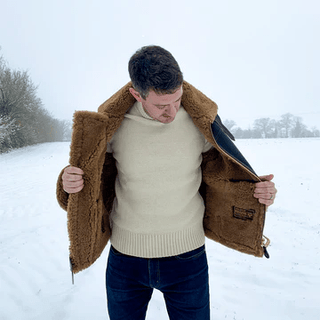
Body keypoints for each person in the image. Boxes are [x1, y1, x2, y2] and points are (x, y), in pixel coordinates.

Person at [57, 45, 277, 320]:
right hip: (125, 260)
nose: (172, 112)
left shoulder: (200, 122)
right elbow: (90, 183)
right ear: (136, 94)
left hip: (188, 260)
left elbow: (225, 176)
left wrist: (257, 192)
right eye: (161, 106)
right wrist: (68, 182)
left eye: (177, 99)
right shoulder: (110, 127)